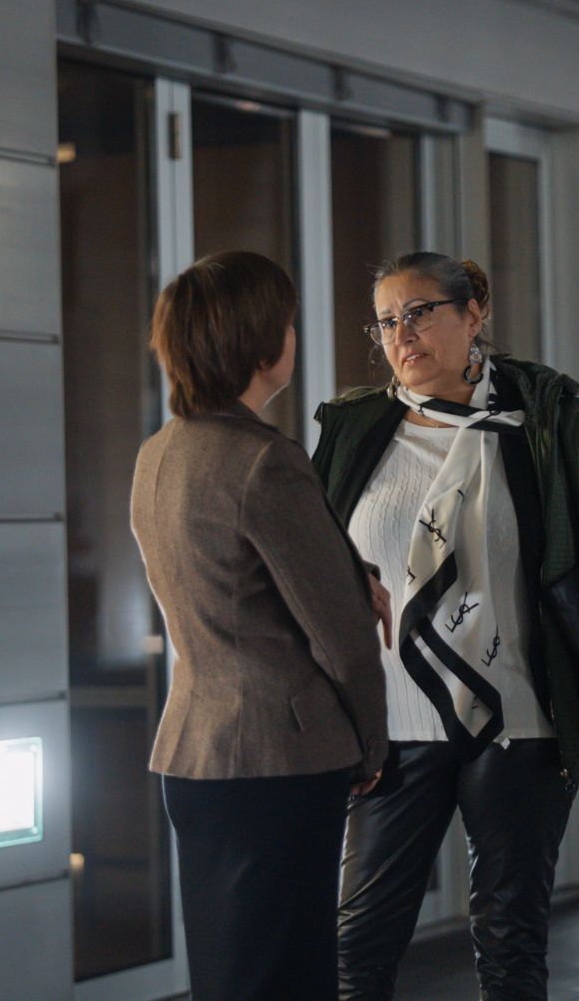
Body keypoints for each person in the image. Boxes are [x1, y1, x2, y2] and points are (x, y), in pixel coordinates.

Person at [312, 251, 579, 1000]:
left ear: (474, 313)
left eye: (420, 312)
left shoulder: (555, 427)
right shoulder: (355, 429)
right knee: (356, 946)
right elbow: (317, 568)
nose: (401, 334)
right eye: (386, 321)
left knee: (512, 943)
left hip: (523, 718)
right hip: (395, 727)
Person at [131, 250, 391, 1000]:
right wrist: (371, 743)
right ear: (258, 344)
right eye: (288, 323)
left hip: (196, 752)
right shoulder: (262, 461)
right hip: (281, 761)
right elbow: (340, 635)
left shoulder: (159, 454)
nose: (293, 336)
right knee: (287, 977)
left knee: (231, 977)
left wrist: (351, 577)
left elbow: (233, 585)